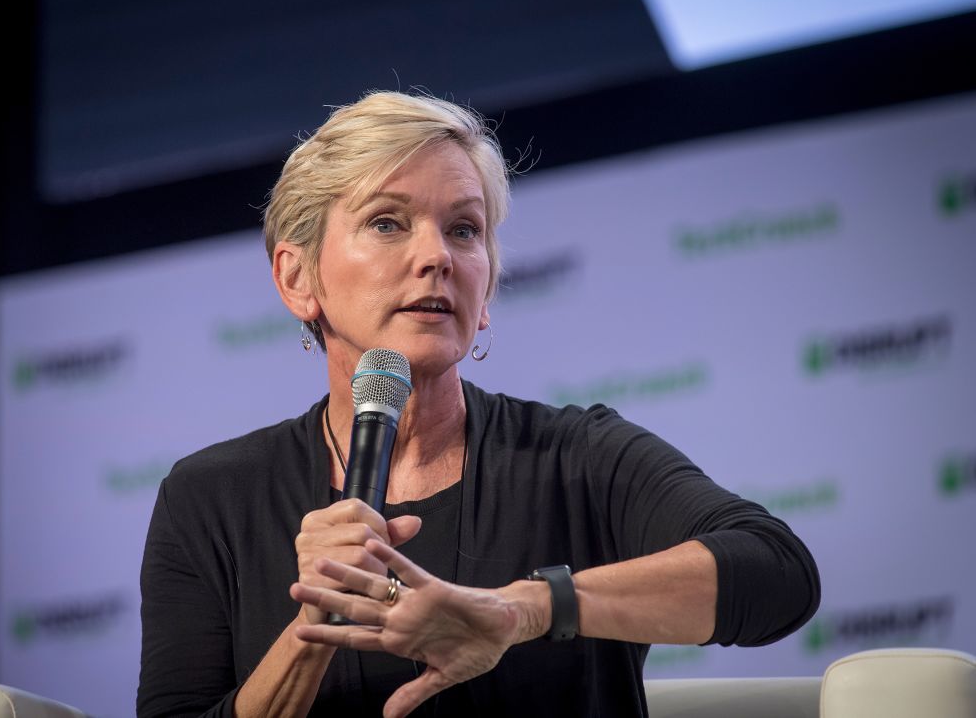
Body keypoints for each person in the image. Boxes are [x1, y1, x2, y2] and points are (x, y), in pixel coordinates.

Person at [137, 91, 820, 718]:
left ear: (485, 292)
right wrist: (317, 623)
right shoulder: (212, 498)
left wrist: (522, 610)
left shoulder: (576, 459)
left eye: (464, 230)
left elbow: (777, 574)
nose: (436, 255)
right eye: (387, 223)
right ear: (298, 277)